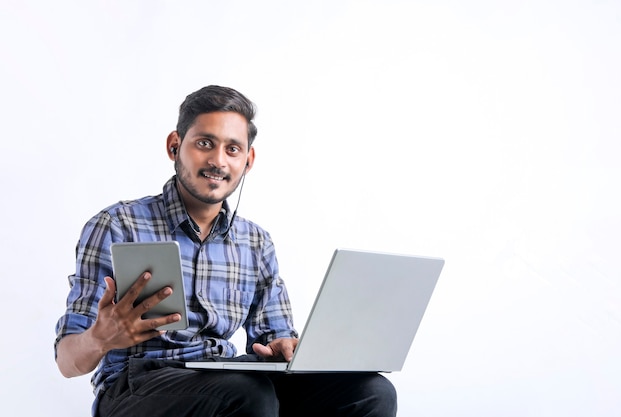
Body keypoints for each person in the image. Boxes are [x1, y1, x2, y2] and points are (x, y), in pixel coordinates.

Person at [54, 85, 398, 417]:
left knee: (371, 392)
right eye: (205, 143)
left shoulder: (255, 242)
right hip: (136, 385)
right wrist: (99, 339)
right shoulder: (117, 225)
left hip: (225, 377)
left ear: (247, 160)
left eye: (232, 149)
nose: (218, 161)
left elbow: (275, 337)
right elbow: (68, 362)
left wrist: (284, 347)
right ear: (175, 146)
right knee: (246, 393)